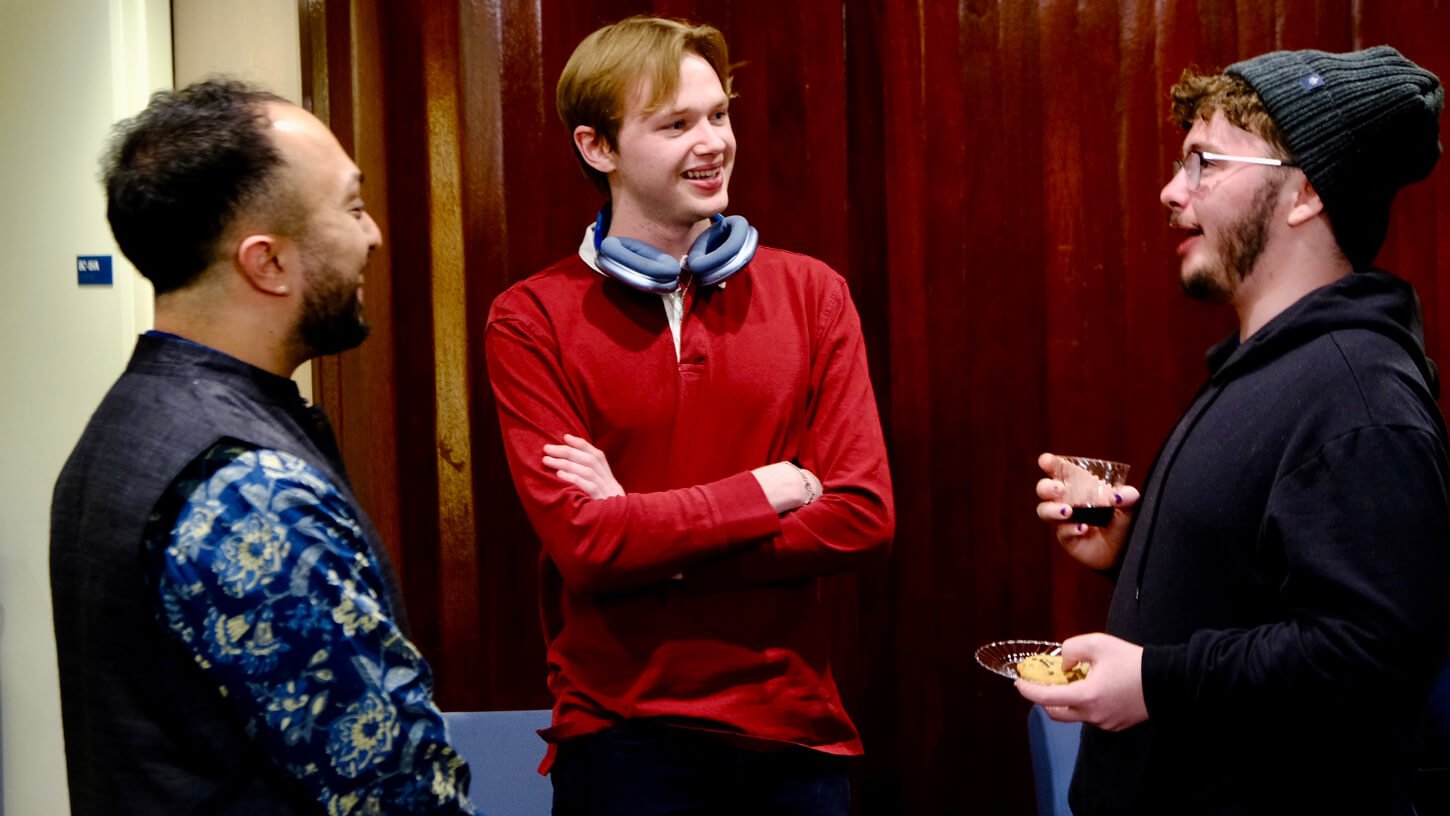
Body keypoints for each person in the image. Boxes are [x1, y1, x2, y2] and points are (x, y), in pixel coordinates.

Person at [1019, 45, 1450, 814]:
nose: (1170, 191)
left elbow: (1369, 655)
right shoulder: (1268, 369)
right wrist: (1132, 547)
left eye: (1203, 163)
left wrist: (1154, 682)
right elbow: (1267, 589)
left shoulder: (1359, 398)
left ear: (1305, 193)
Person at [483, 15, 894, 815]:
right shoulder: (530, 319)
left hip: (794, 738)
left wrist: (647, 537)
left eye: (718, 115)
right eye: (675, 125)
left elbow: (862, 516)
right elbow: (587, 547)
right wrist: (765, 491)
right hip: (620, 742)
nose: (713, 143)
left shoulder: (814, 294)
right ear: (597, 146)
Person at [50, 80, 477, 815]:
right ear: (267, 263)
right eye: (352, 208)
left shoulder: (124, 425)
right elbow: (396, 792)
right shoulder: (247, 489)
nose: (373, 235)